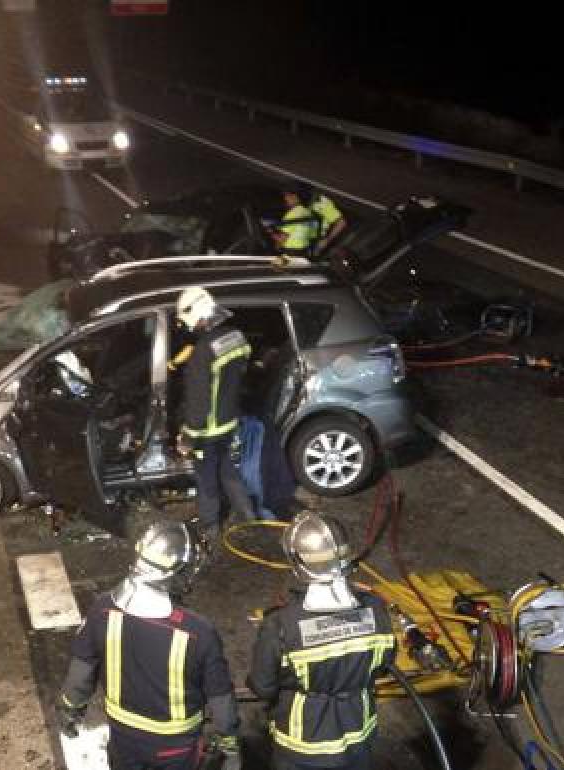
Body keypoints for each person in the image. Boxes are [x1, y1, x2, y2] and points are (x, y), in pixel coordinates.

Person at [58, 520, 242, 770]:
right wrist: (229, 744)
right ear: (174, 573)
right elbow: (221, 700)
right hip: (176, 749)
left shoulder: (102, 610)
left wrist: (69, 711)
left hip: (124, 741)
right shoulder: (198, 632)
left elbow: (80, 675)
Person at [247, 513, 396, 770]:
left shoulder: (280, 625)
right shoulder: (377, 611)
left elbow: (263, 687)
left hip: (302, 746)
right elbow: (383, 666)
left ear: (298, 563)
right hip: (358, 738)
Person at [175, 287, 255, 544]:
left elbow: (198, 402)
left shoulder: (202, 352)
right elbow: (242, 371)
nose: (190, 328)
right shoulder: (237, 337)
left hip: (207, 432)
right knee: (230, 472)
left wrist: (188, 438)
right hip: (230, 422)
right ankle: (249, 517)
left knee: (207, 481)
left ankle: (210, 527)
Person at [301, 183, 347, 258]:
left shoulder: (323, 203)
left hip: (314, 241)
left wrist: (327, 239)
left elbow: (341, 223)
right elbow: (342, 223)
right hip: (304, 240)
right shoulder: (307, 204)